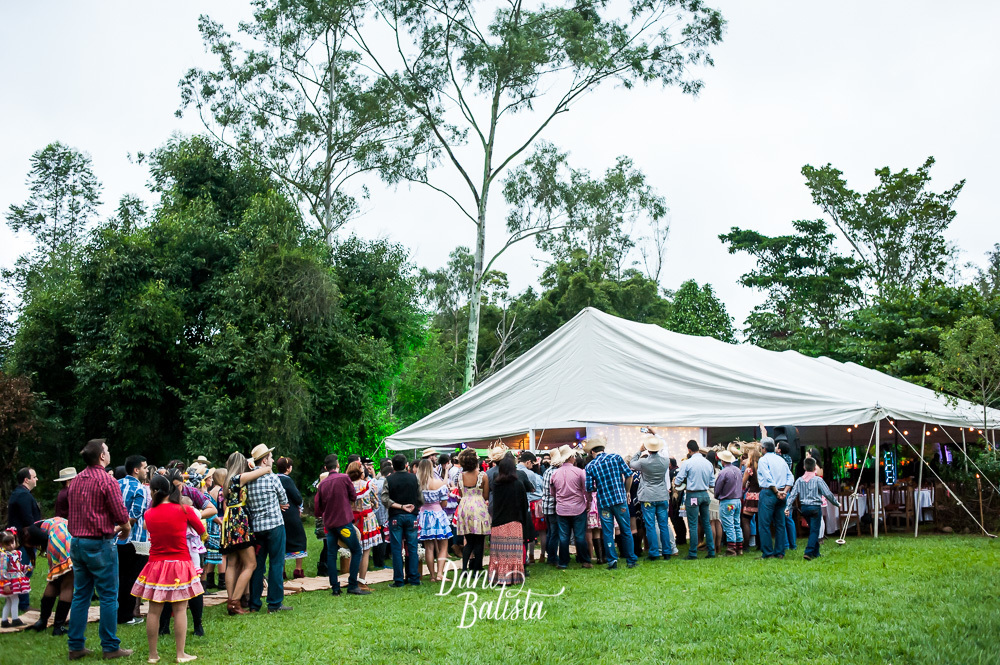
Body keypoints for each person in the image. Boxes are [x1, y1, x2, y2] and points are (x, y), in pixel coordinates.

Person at [66, 439, 133, 660]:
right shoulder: (107, 480)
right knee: (108, 596)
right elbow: (122, 516)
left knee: (81, 595)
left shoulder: (75, 480)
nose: (109, 452)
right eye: (107, 449)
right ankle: (110, 646)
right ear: (102, 457)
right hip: (99, 543)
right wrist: (124, 529)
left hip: (76, 542)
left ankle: (75, 646)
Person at [131, 474, 205, 664]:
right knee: (180, 609)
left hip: (156, 565)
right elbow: (201, 531)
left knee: (154, 611)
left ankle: (153, 655)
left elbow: (148, 527)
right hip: (180, 563)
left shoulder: (149, 513)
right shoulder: (184, 509)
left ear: (153, 492)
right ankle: (180, 654)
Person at [219, 452, 269, 615]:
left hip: (229, 522)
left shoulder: (227, 481)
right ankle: (235, 602)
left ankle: (231, 599)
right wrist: (259, 466)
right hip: (240, 522)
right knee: (251, 564)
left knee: (232, 563)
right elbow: (263, 470)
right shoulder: (238, 478)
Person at [246, 444, 291, 613]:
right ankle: (274, 603)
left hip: (257, 528)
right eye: (270, 457)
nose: (272, 460)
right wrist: (278, 505)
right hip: (275, 526)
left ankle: (254, 603)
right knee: (276, 563)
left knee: (258, 565)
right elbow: (284, 499)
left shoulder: (248, 479)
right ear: (264, 460)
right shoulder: (272, 478)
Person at [315, 454, 369, 596]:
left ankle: (335, 588)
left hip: (330, 525)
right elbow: (353, 496)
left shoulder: (323, 484)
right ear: (338, 465)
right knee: (356, 550)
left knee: (331, 554)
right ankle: (352, 584)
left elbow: (318, 507)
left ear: (326, 468)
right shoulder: (344, 478)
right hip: (344, 523)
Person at [23, 517, 74, 634]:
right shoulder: (41, 525)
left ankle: (42, 621)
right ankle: (58, 627)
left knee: (54, 580)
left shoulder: (33, 528)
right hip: (65, 539)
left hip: (57, 541)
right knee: (68, 583)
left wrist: (50, 545)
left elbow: (43, 537)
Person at [629, 434, 675, 561]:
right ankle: (667, 551)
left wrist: (639, 451)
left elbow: (632, 463)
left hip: (648, 496)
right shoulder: (665, 461)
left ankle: (654, 552)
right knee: (663, 524)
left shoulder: (644, 462)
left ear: (648, 449)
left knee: (650, 525)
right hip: (662, 495)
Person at [785, 457, 840, 560]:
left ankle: (816, 552)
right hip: (815, 508)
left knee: (813, 529)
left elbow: (792, 495)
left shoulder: (799, 480)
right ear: (815, 468)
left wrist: (787, 507)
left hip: (804, 509)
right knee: (815, 531)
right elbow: (827, 493)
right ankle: (808, 552)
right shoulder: (818, 480)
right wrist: (836, 503)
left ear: (804, 467)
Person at [380, 453, 422, 587]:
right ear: (406, 465)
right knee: (413, 547)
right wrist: (414, 507)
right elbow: (421, 498)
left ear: (393, 466)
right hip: (412, 515)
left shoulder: (389, 479)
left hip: (395, 516)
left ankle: (398, 580)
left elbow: (384, 499)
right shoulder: (414, 478)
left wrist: (400, 506)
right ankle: (414, 578)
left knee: (397, 549)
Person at [117, 454, 149, 626]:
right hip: (134, 540)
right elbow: (135, 515)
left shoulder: (117, 484)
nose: (146, 471)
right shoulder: (140, 489)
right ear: (136, 470)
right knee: (131, 578)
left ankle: (118, 613)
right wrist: (122, 528)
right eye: (144, 467)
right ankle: (127, 615)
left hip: (116, 540)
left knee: (119, 577)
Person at [550, 445, 593, 569]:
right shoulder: (579, 472)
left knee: (563, 537)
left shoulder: (555, 474)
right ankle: (585, 560)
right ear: (571, 457)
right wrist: (588, 503)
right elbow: (586, 490)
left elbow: (552, 492)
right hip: (578, 508)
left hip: (562, 509)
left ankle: (563, 562)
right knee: (580, 536)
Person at [488, 456, 528, 585]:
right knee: (513, 554)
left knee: (498, 553)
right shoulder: (518, 484)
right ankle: (513, 577)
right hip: (514, 522)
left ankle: (497, 577)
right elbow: (524, 504)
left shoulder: (496, 484)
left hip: (498, 522)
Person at [673, 440, 716, 560]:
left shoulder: (687, 463)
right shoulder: (708, 463)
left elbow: (678, 481)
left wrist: (685, 482)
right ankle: (711, 551)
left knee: (693, 524)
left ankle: (692, 552)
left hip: (693, 495)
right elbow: (712, 483)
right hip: (705, 494)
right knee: (706, 523)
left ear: (689, 450)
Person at [6, 466, 40, 615]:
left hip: (19, 539)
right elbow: (28, 521)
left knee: (22, 570)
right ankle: (23, 604)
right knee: (24, 571)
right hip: (24, 541)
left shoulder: (19, 493)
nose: (36, 479)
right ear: (27, 479)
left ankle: (20, 601)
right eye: (34, 477)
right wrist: (42, 536)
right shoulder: (23, 495)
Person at [756, 431, 794, 560]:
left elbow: (768, 477)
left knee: (764, 523)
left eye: (761, 448)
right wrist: (785, 491)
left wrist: (777, 492)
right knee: (780, 523)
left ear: (764, 448)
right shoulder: (781, 460)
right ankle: (780, 551)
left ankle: (767, 552)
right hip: (782, 492)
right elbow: (790, 476)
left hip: (769, 492)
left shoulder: (763, 460)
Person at [453, 448, 490, 572]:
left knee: (469, 541)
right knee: (479, 541)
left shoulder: (460, 477)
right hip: (478, 506)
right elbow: (485, 495)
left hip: (464, 507)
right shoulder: (482, 476)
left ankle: (464, 569)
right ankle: (477, 569)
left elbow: (460, 492)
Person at [346, 461, 382, 586]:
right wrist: (371, 505)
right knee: (366, 551)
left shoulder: (347, 486)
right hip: (367, 519)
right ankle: (361, 579)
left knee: (353, 550)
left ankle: (352, 578)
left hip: (352, 520)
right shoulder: (368, 484)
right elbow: (376, 503)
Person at [416, 458, 451, 582]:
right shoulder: (439, 483)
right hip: (438, 514)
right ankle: (440, 574)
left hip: (424, 515)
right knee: (443, 545)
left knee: (429, 547)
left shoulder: (418, 484)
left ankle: (431, 575)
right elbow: (444, 504)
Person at [274, 457, 308, 579]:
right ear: (288, 468)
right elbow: (297, 497)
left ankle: (281, 571)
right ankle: (298, 569)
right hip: (290, 513)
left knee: (281, 540)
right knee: (299, 538)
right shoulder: (287, 480)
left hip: (277, 513)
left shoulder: (273, 478)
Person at [714, 449, 744, 556]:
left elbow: (717, 488)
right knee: (737, 524)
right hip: (737, 501)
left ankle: (731, 549)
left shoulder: (723, 473)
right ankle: (739, 547)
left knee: (729, 525)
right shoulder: (738, 470)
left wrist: (716, 496)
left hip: (727, 502)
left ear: (722, 461)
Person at [516, 452, 543, 564]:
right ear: (528, 462)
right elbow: (531, 489)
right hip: (528, 505)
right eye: (532, 463)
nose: (533, 466)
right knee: (528, 534)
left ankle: (521, 558)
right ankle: (526, 557)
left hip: (515, 506)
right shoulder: (529, 474)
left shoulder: (512, 471)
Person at [203, 469, 226, 591]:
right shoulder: (222, 491)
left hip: (209, 522)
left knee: (211, 552)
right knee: (221, 552)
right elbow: (222, 508)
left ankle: (210, 579)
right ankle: (222, 580)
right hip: (218, 521)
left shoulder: (211, 491)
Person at [1, 529, 29, 627]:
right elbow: (2, 570)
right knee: (15, 600)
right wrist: (6, 584)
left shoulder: (16, 553)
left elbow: (17, 566)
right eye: (7, 544)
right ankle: (15, 619)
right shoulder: (4, 556)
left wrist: (26, 568)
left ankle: (4, 621)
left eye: (12, 542)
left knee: (9, 601)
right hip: (10, 581)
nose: (11, 545)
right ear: (2, 545)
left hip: (16, 579)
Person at [538, 448, 560, 566]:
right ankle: (552, 558)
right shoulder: (555, 472)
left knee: (550, 532)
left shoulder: (547, 471)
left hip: (546, 505)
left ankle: (550, 556)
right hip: (553, 505)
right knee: (554, 533)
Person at [777, 439, 797, 550]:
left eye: (777, 446)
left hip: (781, 490)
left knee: (781, 518)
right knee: (789, 518)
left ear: (779, 450)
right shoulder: (789, 458)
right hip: (788, 490)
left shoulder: (779, 459)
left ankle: (786, 544)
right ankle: (793, 543)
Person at [741, 445, 762, 551]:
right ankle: (760, 544)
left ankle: (746, 545)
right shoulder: (762, 468)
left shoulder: (749, 469)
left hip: (751, 496)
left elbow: (743, 483)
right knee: (760, 521)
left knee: (745, 520)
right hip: (761, 495)